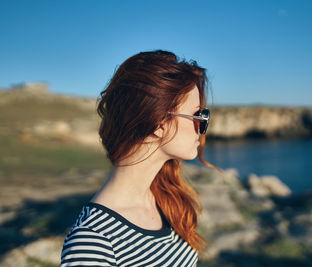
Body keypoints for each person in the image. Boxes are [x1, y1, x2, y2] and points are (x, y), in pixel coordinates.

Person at [60, 50, 220, 266]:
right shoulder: (94, 243)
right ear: (159, 123)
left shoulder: (162, 198)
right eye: (198, 116)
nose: (202, 128)